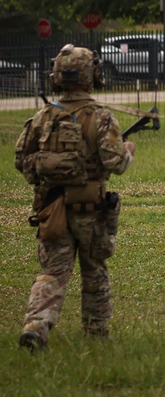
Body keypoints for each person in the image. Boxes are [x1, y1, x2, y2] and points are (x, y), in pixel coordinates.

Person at [14, 45, 135, 351]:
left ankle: (36, 325)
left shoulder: (43, 117)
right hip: (91, 212)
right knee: (94, 272)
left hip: (52, 210)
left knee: (53, 273)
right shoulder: (101, 118)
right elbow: (116, 164)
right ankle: (96, 335)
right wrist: (129, 151)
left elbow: (21, 160)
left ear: (57, 77)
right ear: (92, 76)